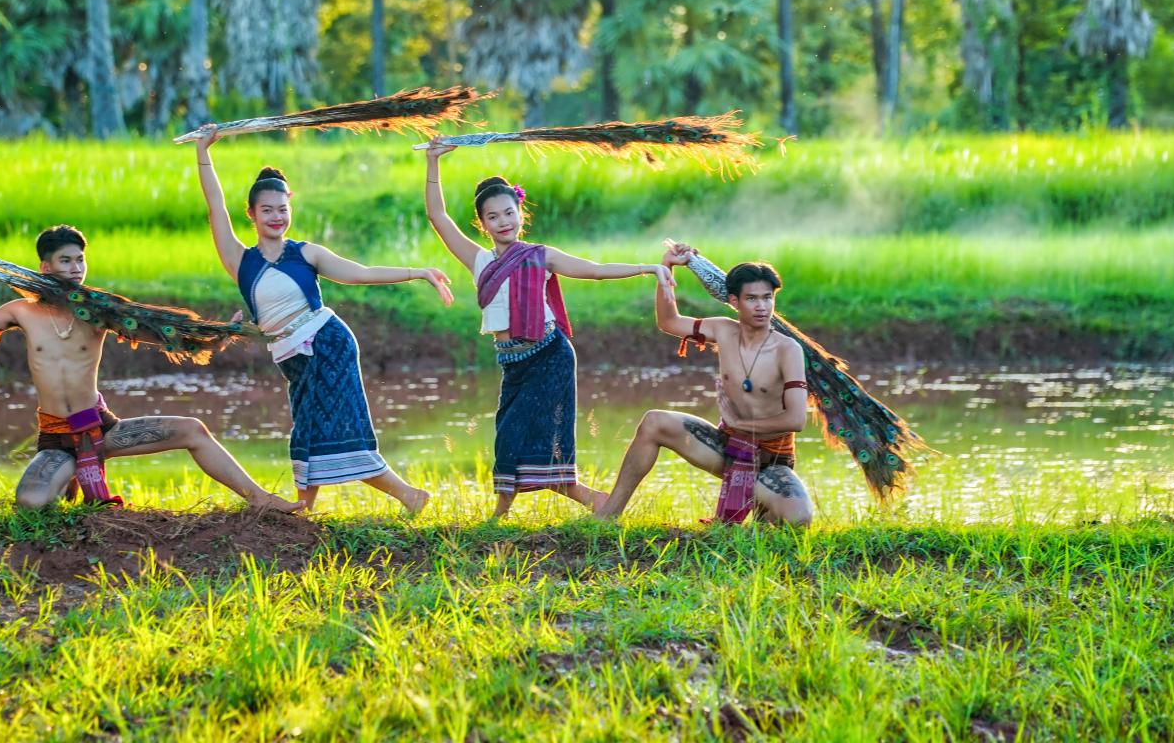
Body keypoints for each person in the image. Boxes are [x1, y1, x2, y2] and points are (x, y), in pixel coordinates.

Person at [0, 224, 303, 513]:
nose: (76, 268)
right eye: (66, 261)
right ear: (45, 267)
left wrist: (212, 337)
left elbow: (157, 331)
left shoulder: (98, 310)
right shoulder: (21, 311)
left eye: (80, 260)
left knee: (193, 429)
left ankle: (259, 498)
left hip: (100, 429)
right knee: (31, 503)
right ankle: (71, 478)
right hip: (56, 437)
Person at [194, 132, 450, 513]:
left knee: (333, 430)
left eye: (282, 208)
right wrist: (203, 153)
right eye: (267, 210)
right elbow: (215, 206)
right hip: (292, 357)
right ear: (251, 214)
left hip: (327, 344)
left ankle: (344, 504)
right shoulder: (239, 259)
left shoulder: (306, 253)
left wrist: (418, 272)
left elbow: (360, 273)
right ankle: (326, 506)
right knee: (308, 432)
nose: (276, 216)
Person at [423, 138, 675, 517]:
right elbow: (438, 217)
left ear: (520, 212)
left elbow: (595, 271)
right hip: (513, 362)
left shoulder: (541, 256)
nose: (503, 222)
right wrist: (432, 162)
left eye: (509, 213)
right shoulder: (477, 260)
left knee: (533, 437)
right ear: (483, 223)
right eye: (493, 217)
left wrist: (650, 268)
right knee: (509, 434)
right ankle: (597, 504)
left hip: (549, 356)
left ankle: (508, 513)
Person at [596, 243, 812, 525]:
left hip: (769, 461)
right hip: (725, 446)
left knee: (799, 518)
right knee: (654, 422)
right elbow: (668, 322)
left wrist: (741, 423)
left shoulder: (788, 349)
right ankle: (607, 515)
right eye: (752, 299)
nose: (761, 307)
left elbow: (796, 419)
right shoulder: (722, 329)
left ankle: (759, 515)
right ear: (734, 302)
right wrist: (667, 268)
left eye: (767, 298)